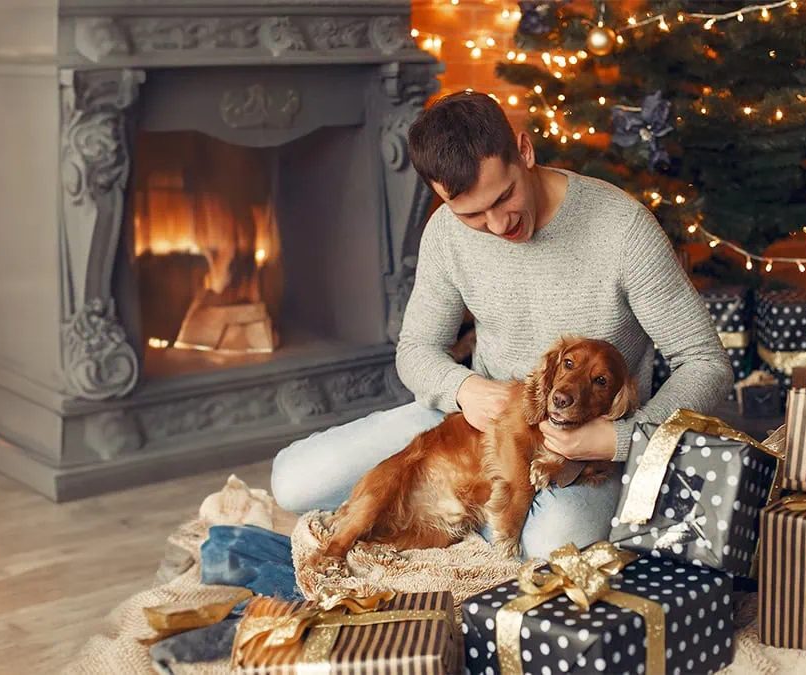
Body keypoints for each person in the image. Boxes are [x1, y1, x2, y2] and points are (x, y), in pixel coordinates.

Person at [270, 91, 733, 559]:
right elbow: (416, 349)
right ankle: (465, 513)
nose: (496, 224)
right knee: (292, 483)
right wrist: (464, 388)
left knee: (556, 546)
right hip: (470, 423)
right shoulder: (446, 234)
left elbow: (704, 362)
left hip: (575, 445)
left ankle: (472, 522)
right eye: (470, 214)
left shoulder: (623, 228)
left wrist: (621, 438)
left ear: (525, 152)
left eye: (504, 196)